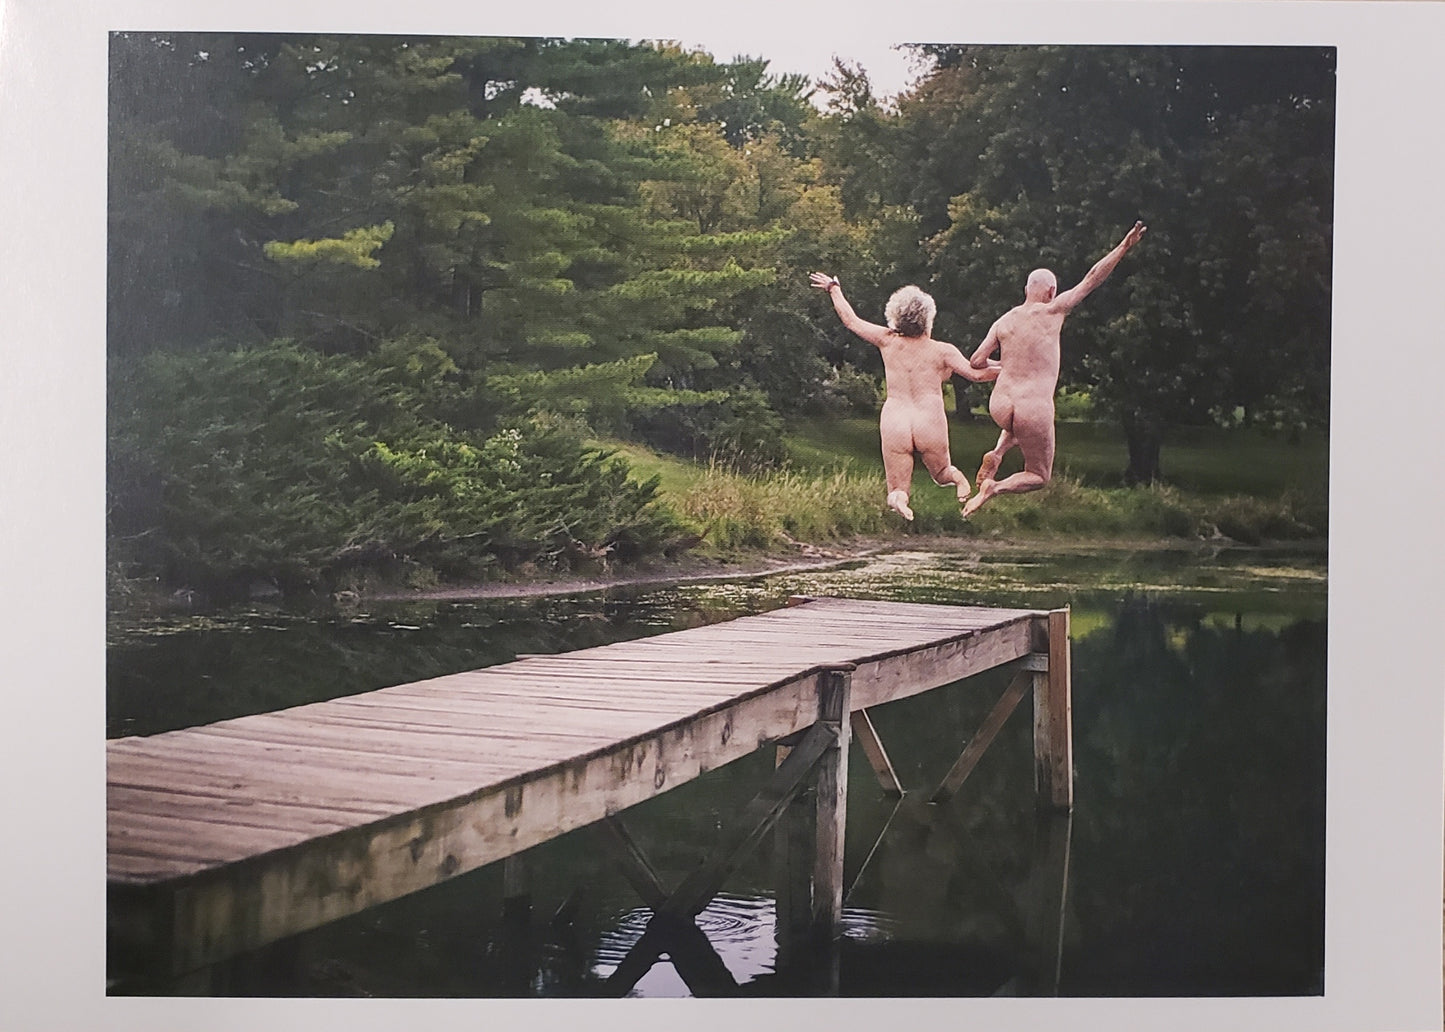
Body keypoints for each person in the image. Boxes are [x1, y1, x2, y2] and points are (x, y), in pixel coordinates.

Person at [961, 221, 1147, 518]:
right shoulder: (1054, 310)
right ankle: (992, 488)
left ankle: (997, 453)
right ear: (1051, 291)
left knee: (1015, 426)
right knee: (1038, 475)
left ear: (1026, 290)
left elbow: (975, 361)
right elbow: (1091, 279)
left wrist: (1004, 366)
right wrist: (1123, 247)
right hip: (1033, 407)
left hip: (1000, 403)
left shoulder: (1004, 321)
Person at [810, 272, 1000, 521]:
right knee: (942, 471)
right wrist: (1010, 368)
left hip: (896, 419)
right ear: (928, 318)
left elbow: (851, 321)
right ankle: (959, 480)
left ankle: (900, 502)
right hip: (928, 417)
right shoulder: (942, 350)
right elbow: (976, 375)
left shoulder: (887, 341)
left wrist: (833, 288)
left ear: (895, 316)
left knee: (897, 489)